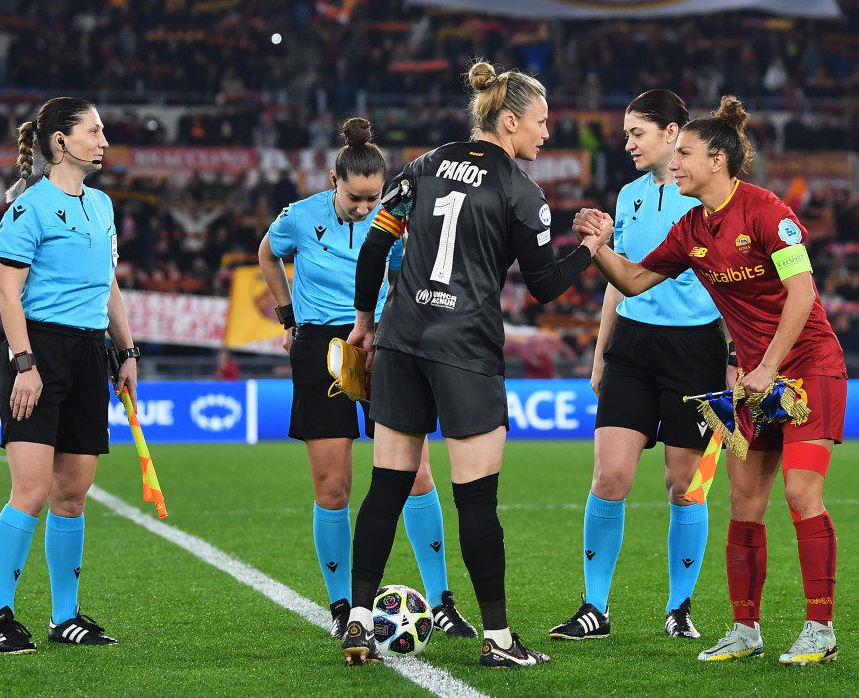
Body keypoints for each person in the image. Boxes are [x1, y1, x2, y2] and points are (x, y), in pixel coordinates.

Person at [340, 60, 613, 667]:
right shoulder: (521, 192)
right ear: (509, 121)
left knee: (386, 486)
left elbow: (377, 244)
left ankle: (357, 620)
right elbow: (543, 287)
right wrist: (591, 248)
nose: (547, 133)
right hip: (465, 350)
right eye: (540, 122)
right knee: (476, 500)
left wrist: (365, 322)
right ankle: (497, 639)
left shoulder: (425, 165)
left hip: (403, 341)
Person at [586, 95, 846, 666]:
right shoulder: (690, 226)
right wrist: (599, 247)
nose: (673, 163)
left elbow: (803, 296)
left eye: (683, 153)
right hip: (752, 381)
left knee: (801, 495)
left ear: (718, 159)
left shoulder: (768, 211)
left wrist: (768, 367)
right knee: (743, 503)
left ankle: (820, 629)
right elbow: (631, 281)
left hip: (806, 368)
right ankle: (745, 630)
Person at [257, 117, 477, 643]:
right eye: (356, 198)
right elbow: (267, 253)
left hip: (383, 346)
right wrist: (287, 318)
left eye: (373, 197)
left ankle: (441, 600)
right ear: (335, 180)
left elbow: (406, 273)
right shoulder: (299, 217)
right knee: (333, 487)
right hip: (320, 350)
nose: (364, 207)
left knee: (418, 474)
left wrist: (394, 325)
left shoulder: (392, 216)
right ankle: (340, 606)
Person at [549, 90, 731, 644]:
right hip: (632, 348)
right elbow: (618, 279)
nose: (626, 143)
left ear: (672, 133)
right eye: (627, 133)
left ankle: (679, 608)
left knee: (686, 487)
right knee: (610, 477)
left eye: (637, 133)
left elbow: (732, 288)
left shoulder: (705, 197)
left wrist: (730, 362)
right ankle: (594, 608)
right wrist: (603, 354)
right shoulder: (628, 196)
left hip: (697, 353)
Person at [0, 97, 138, 654]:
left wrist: (127, 351)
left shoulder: (101, 205)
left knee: (72, 495)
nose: (102, 139)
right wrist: (24, 364)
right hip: (38, 350)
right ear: (60, 143)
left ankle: (64, 617)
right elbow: (7, 291)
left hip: (90, 351)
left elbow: (109, 286)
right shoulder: (28, 209)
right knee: (29, 490)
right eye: (93, 130)